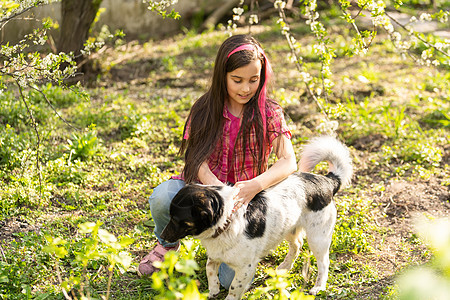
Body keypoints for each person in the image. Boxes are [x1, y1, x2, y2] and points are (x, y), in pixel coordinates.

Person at [138, 34, 297, 288]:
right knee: (163, 196)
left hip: (245, 202)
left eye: (253, 80)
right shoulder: (205, 109)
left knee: (228, 281)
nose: (246, 88)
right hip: (205, 191)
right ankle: (167, 245)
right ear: (222, 76)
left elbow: (289, 161)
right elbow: (195, 156)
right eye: (237, 80)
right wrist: (215, 189)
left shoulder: (269, 113)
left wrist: (255, 185)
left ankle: (232, 247)